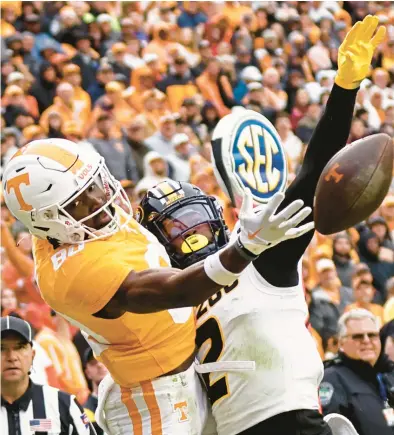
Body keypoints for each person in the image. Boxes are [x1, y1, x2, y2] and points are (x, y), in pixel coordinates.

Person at [139, 15, 386, 435]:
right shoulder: (177, 298)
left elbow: (314, 172)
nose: (190, 234)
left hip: (290, 419)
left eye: (192, 220)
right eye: (177, 230)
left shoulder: (252, 255)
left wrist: (344, 90)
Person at [2, 139, 312, 435]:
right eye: (81, 201)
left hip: (182, 371)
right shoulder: (74, 274)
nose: (99, 199)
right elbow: (179, 291)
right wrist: (245, 247)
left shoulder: (73, 222)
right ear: (47, 221)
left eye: (94, 183)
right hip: (154, 400)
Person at [1, 316, 95, 435]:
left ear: (33, 355)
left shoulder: (64, 404)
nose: (12, 357)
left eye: (20, 347)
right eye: (1, 348)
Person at [320, 309, 394, 435]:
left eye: (372, 335)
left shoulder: (385, 375)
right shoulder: (331, 379)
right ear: (341, 343)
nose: (366, 340)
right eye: (358, 336)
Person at [83, 347, 108, 435]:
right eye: (93, 363)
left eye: (103, 360)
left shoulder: (127, 398)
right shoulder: (86, 412)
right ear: (88, 373)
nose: (99, 365)